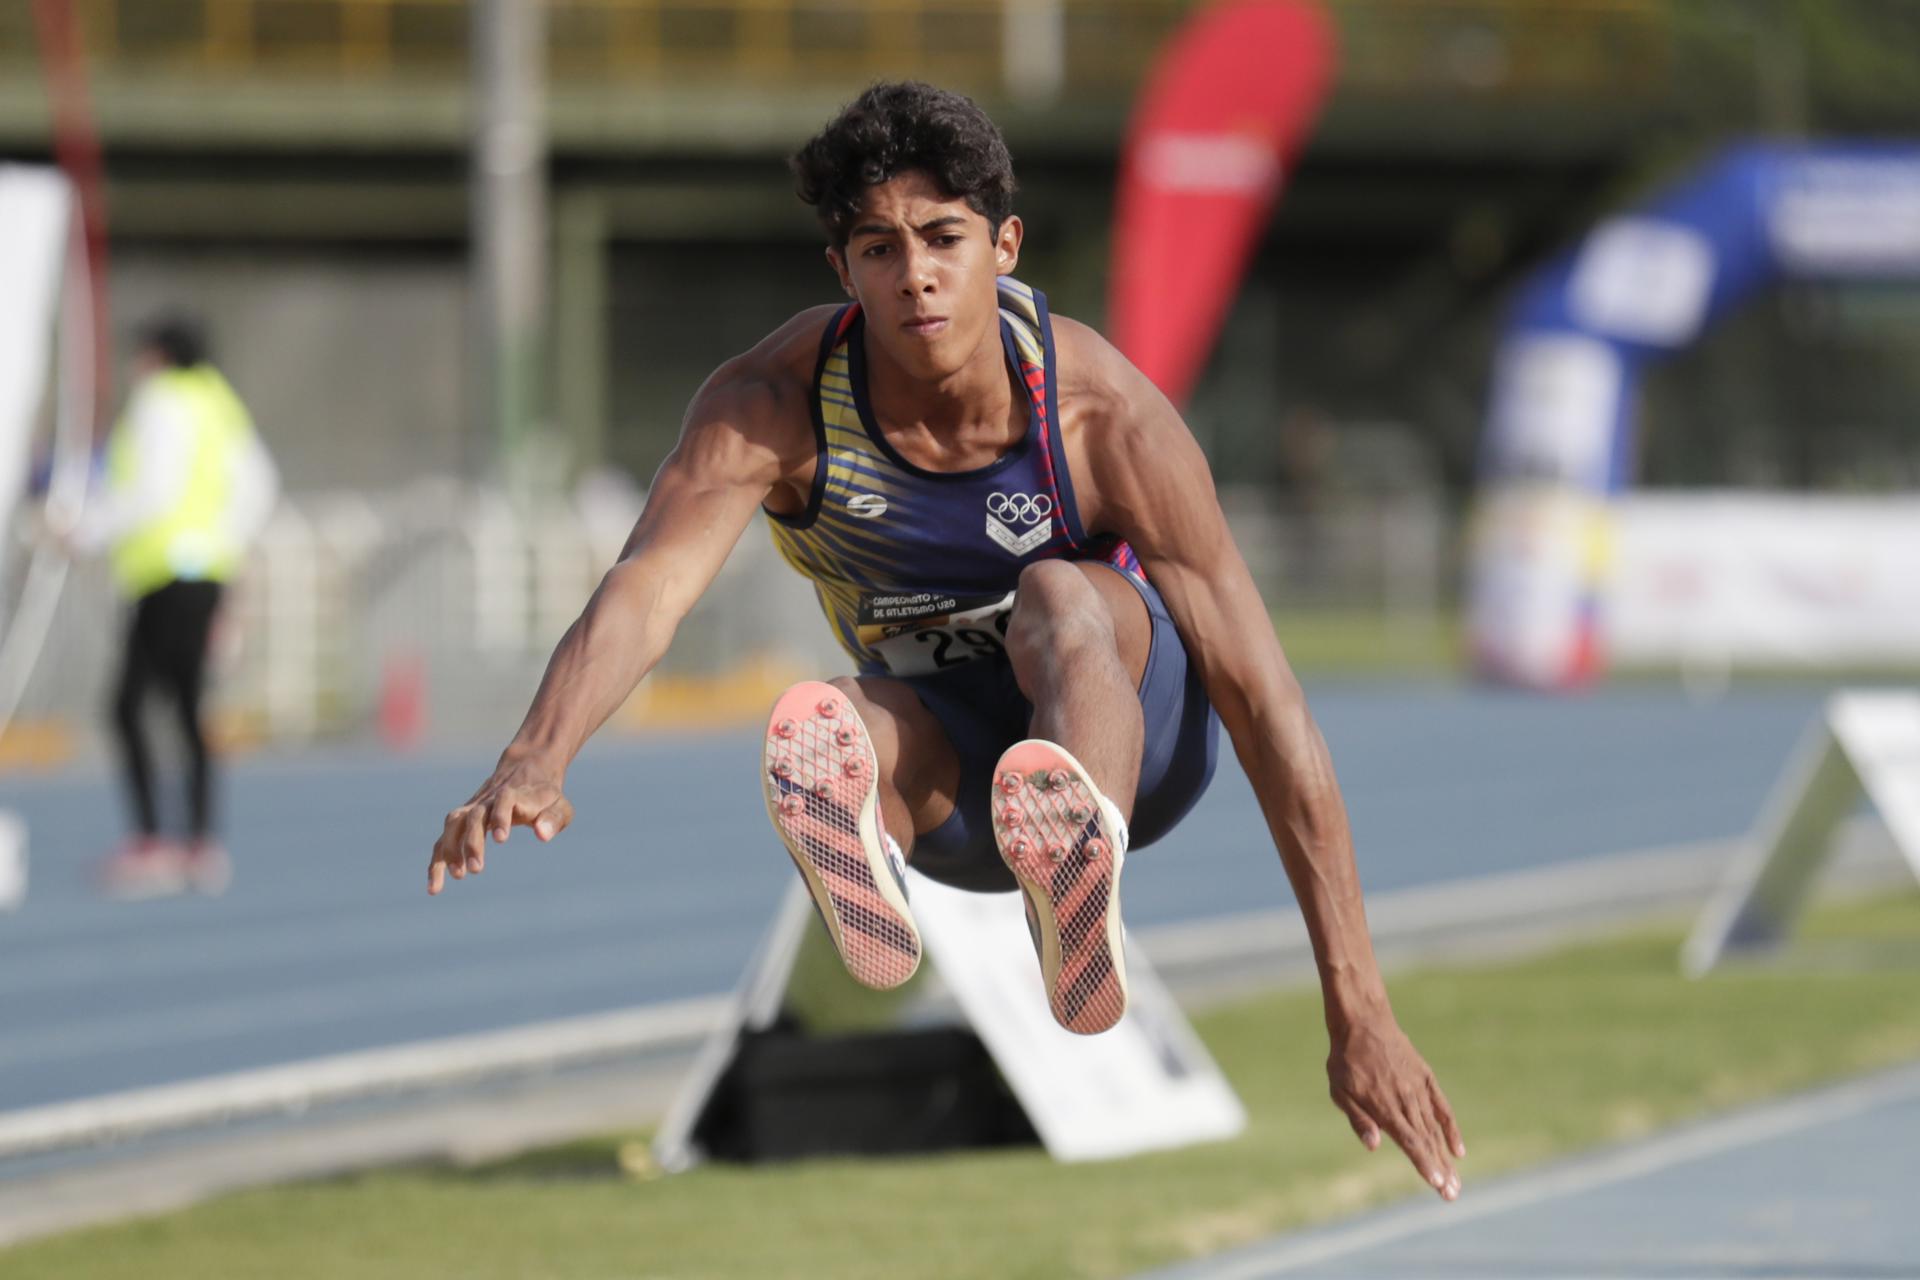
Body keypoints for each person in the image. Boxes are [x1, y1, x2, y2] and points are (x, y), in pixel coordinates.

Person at [430, 83, 1465, 1199]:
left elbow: (1266, 704)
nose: (913, 272)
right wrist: (536, 754)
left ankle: (1081, 859)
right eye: (878, 247)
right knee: (838, 716)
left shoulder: (1105, 417)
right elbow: (647, 587)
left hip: (1133, 731)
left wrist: (1357, 1003)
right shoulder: (773, 404)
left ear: (1003, 244)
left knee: (1059, 600)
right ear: (842, 268)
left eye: (943, 238)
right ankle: (868, 832)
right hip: (965, 796)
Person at [65, 313, 279, 898]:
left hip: (163, 575)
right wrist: (222, 550)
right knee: (188, 709)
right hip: (205, 572)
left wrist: (82, 530)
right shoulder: (218, 403)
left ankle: (153, 840)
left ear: (156, 355)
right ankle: (202, 844)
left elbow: (148, 492)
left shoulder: (159, 403)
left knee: (129, 705)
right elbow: (259, 485)